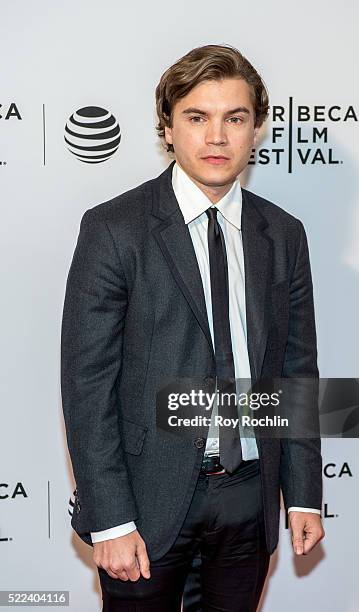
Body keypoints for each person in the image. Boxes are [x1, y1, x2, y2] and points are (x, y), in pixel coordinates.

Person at [60, 43, 325, 612]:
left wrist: (302, 496)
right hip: (145, 504)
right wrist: (110, 520)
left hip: (248, 498)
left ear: (257, 128)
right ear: (168, 126)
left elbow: (296, 370)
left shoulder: (283, 235)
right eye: (197, 117)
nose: (217, 137)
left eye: (236, 118)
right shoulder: (114, 230)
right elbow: (87, 387)